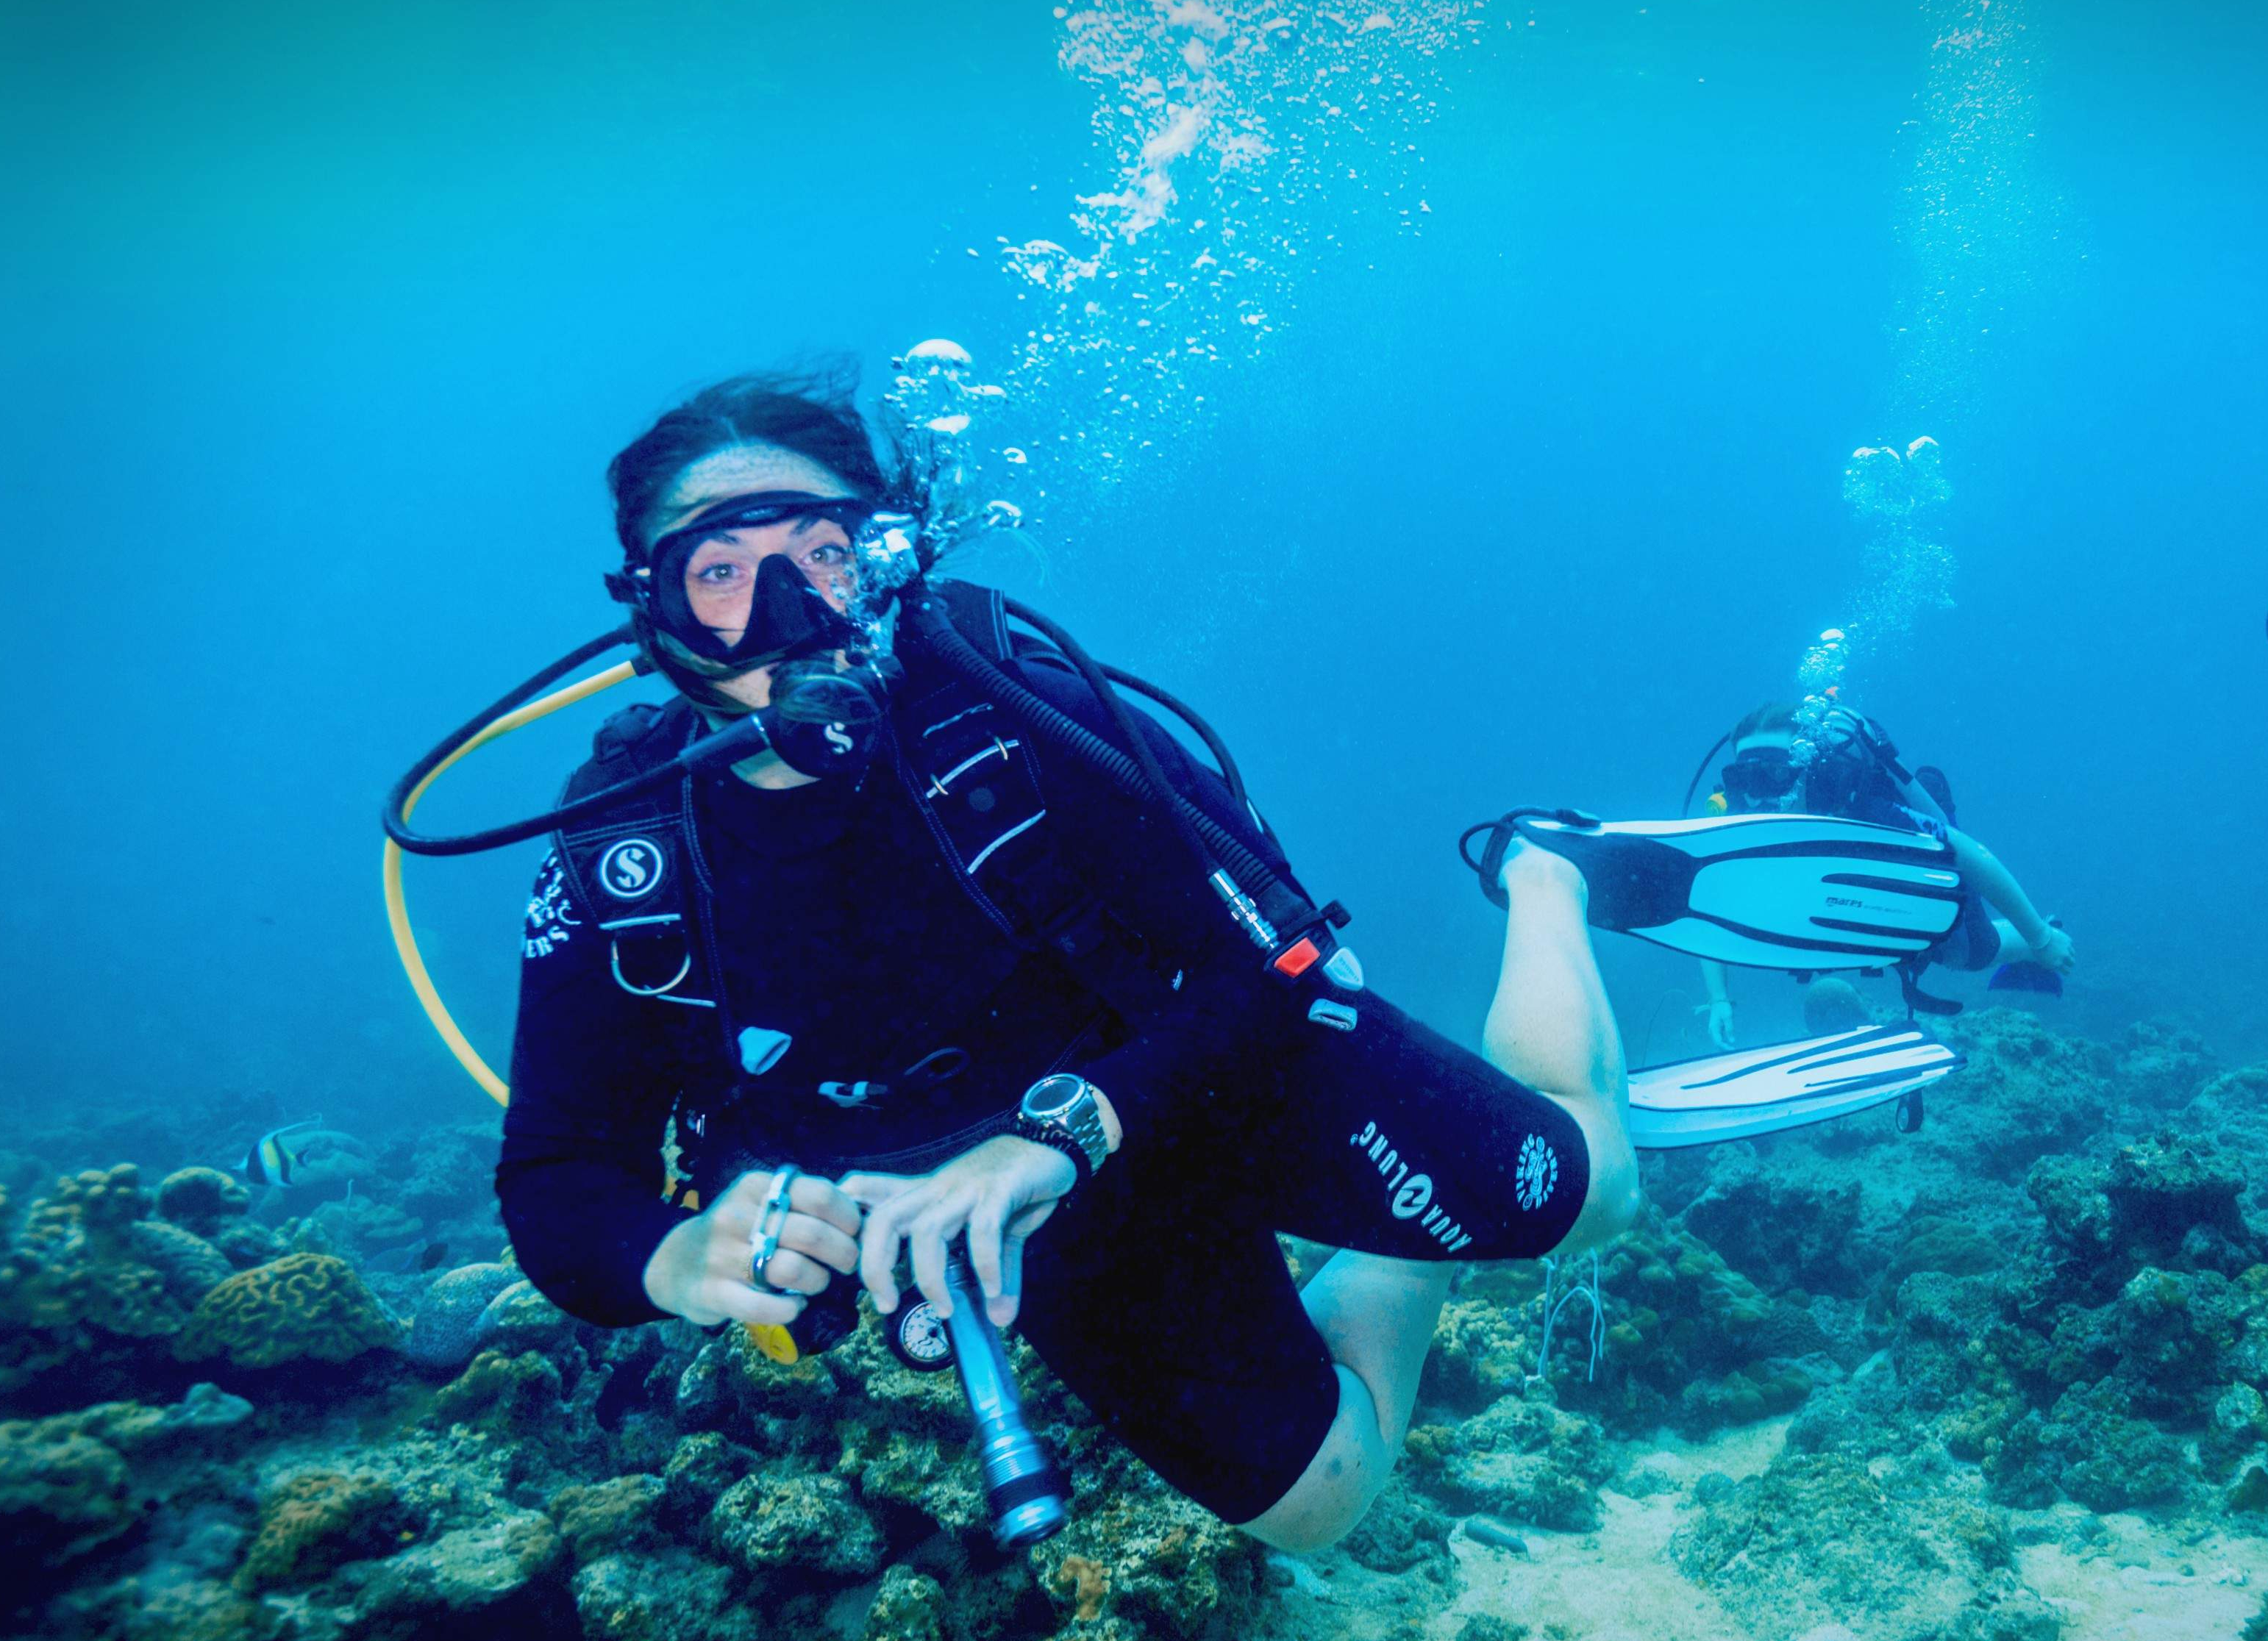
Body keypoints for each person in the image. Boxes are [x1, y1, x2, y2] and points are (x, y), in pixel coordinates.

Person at [496, 373, 1642, 1553]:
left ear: (887, 562)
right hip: (1037, 1219)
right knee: (1317, 1506)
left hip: (1221, 1074)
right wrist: (671, 1256)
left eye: (823, 553)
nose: (786, 610)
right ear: (654, 611)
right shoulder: (623, 863)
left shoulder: (1020, 721)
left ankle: (1546, 876)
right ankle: (1399, 1241)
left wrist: (1064, 1130)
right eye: (720, 572)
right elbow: (555, 1167)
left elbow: (1284, 960)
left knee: (1601, 1194)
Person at [1683, 700, 2071, 1047]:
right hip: (1843, 912)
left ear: (1805, 769)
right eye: (1743, 780)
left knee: (1970, 953)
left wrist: (2041, 938)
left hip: (1908, 894)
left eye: (1772, 775)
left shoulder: (1860, 809)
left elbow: (1971, 852)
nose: (1757, 796)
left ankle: (2047, 936)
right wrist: (1718, 999)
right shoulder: (1736, 820)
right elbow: (1709, 905)